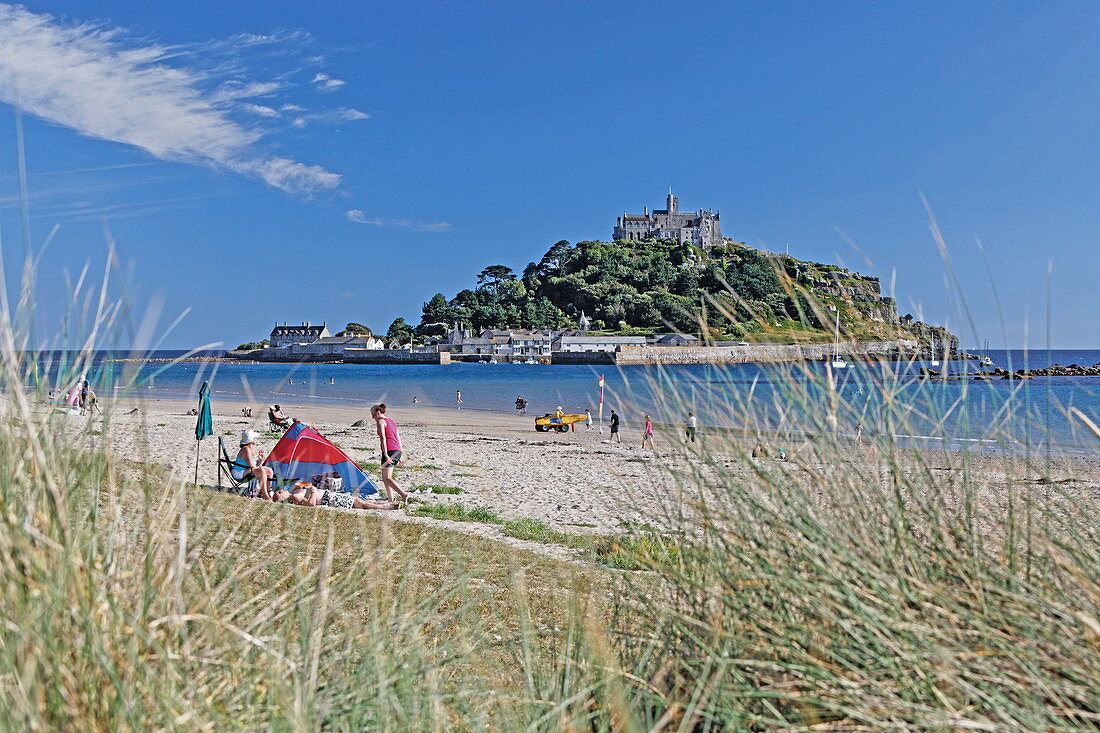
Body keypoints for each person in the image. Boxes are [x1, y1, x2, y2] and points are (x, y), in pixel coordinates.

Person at [372, 403, 409, 502]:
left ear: (378, 413)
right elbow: (398, 438)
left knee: (387, 477)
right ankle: (390, 498)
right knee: (385, 477)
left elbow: (383, 439)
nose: (373, 418)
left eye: (373, 415)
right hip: (396, 450)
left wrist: (385, 454)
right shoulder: (392, 421)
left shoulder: (381, 422)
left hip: (390, 450)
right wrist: (400, 453)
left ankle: (403, 494)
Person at [274, 481, 399, 510]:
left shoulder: (295, 490)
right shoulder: (295, 497)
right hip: (328, 499)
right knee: (358, 503)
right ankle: (386, 507)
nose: (281, 490)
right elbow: (311, 504)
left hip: (328, 495)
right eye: (280, 493)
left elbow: (309, 483)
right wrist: (312, 490)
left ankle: (385, 505)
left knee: (357, 500)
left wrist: (301, 485)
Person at [232, 430, 276, 500]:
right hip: (239, 472)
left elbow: (254, 466)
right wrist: (260, 467)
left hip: (246, 470)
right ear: (251, 441)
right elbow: (251, 466)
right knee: (261, 470)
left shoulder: (249, 449)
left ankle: (266, 491)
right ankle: (265, 495)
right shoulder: (246, 449)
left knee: (269, 470)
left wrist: (260, 460)